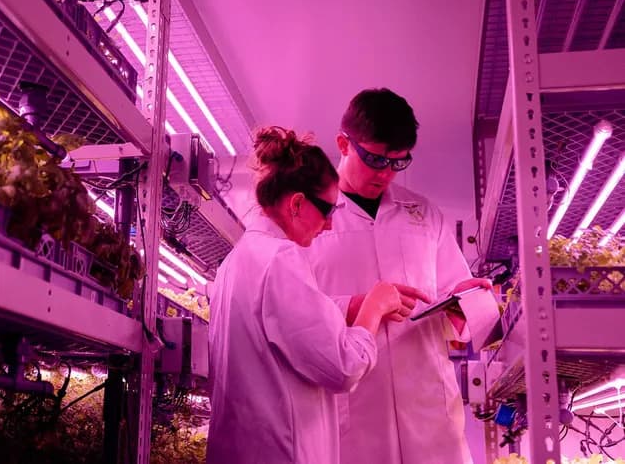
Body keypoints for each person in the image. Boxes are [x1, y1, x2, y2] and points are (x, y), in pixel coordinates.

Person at [207, 126, 428, 464]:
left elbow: (285, 321)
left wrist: (352, 304)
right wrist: (373, 308)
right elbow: (343, 367)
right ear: (296, 203)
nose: (328, 225)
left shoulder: (238, 261)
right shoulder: (282, 259)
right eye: (327, 210)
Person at [305, 88, 498, 464]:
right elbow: (290, 310)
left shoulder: (424, 215)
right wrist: (356, 307)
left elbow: (449, 295)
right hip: (352, 408)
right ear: (343, 144)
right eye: (376, 160)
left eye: (398, 162)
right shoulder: (310, 217)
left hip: (429, 407)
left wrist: (462, 302)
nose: (386, 174)